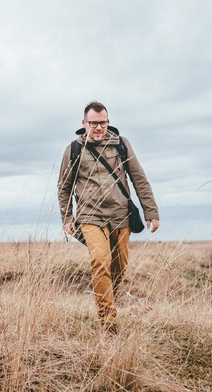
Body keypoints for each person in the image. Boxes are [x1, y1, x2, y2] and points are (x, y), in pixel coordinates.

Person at [57, 101, 160, 333]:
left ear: (108, 122)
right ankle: (108, 322)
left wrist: (150, 211)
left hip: (120, 216)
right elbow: (63, 188)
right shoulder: (73, 150)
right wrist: (67, 217)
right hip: (90, 217)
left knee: (119, 267)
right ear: (84, 123)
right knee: (100, 262)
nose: (98, 128)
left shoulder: (121, 145)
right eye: (93, 123)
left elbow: (139, 178)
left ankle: (107, 298)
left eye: (103, 123)